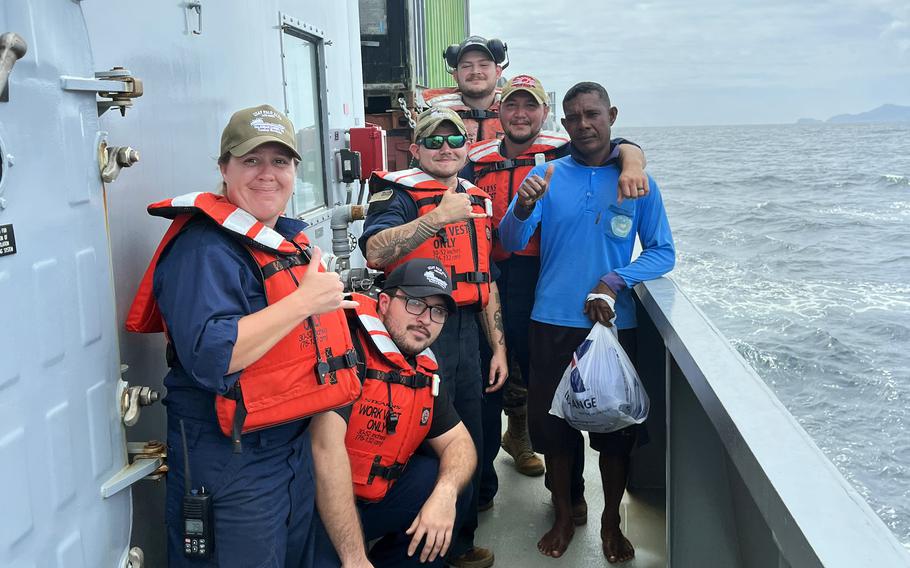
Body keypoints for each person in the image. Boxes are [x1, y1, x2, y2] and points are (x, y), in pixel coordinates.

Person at [126, 105, 372, 567]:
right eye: (251, 161)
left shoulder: (277, 239)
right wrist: (303, 302)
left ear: (295, 171)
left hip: (289, 448)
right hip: (229, 457)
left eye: (280, 162)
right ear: (224, 169)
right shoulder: (203, 249)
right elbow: (212, 357)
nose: (267, 174)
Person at [499, 82, 675, 563]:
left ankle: (609, 520)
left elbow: (663, 252)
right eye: (572, 117)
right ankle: (561, 514)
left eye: (592, 114)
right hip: (549, 321)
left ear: (611, 115)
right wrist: (524, 204)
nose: (583, 124)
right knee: (553, 430)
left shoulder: (637, 180)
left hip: (612, 326)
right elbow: (510, 241)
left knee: (615, 432)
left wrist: (616, 278)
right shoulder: (548, 173)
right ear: (563, 122)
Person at [462, 74, 650, 506]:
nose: (521, 114)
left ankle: (579, 502)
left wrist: (635, 161)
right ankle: (491, 487)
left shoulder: (570, 156)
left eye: (530, 106)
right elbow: (496, 225)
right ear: (500, 112)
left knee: (582, 407)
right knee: (496, 381)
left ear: (546, 116)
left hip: (552, 288)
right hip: (493, 284)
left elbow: (614, 146)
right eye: (512, 106)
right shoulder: (482, 159)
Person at [360, 107, 506, 568]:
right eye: (434, 141)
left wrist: (498, 345)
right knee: (417, 441)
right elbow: (374, 250)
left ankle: (458, 542)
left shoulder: (477, 199)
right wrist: (436, 218)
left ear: (467, 148)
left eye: (455, 140)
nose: (446, 149)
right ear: (416, 148)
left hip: (466, 333)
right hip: (416, 329)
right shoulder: (396, 194)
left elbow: (485, 278)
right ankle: (406, 544)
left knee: (471, 439)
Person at [311, 259, 477, 567]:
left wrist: (445, 493)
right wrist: (355, 558)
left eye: (437, 311)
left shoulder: (421, 367)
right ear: (384, 302)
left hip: (376, 496)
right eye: (415, 304)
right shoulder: (348, 350)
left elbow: (461, 444)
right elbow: (323, 451)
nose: (426, 320)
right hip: (320, 506)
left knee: (448, 483)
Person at [421, 35, 507, 144]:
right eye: (466, 66)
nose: (475, 71)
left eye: (484, 65)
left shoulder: (515, 112)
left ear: (498, 72)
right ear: (455, 75)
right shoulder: (432, 116)